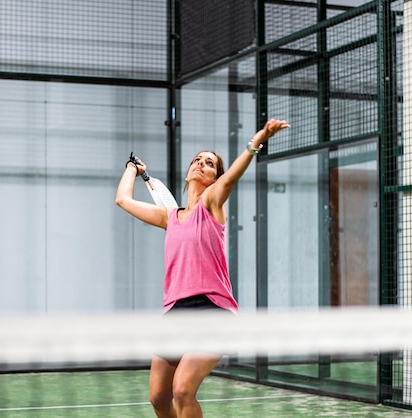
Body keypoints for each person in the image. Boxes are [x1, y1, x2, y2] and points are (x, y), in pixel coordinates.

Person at [115, 119, 290, 418]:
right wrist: (133, 169)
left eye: (209, 163)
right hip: (176, 312)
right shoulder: (170, 217)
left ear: (214, 177)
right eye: (197, 160)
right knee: (159, 396)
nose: (200, 164)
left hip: (213, 311)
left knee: (183, 390)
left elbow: (231, 178)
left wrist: (256, 141)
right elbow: (123, 199)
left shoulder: (212, 204)